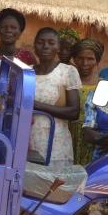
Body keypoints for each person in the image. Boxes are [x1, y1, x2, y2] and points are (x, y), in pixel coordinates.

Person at [28, 28, 81, 168]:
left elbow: (74, 112)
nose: (46, 46)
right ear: (34, 46)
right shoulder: (26, 71)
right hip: (28, 140)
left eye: (51, 43)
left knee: (54, 186)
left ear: (58, 47)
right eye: (41, 42)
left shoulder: (67, 72)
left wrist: (36, 105)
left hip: (56, 143)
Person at [70, 38, 104, 165]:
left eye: (90, 59)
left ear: (97, 61)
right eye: (80, 58)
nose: (85, 63)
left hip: (92, 137)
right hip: (67, 137)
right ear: (74, 59)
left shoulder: (102, 85)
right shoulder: (68, 82)